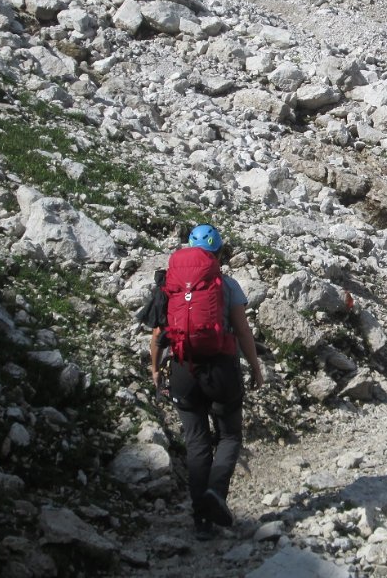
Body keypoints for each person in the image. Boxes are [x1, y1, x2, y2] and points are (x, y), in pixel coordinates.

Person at [143, 223, 265, 541]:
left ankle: (201, 521)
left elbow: (158, 335)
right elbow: (242, 331)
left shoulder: (169, 284)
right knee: (229, 436)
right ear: (218, 255)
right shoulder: (228, 285)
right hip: (222, 368)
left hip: (183, 368)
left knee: (197, 442)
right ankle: (215, 492)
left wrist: (156, 369)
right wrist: (255, 366)